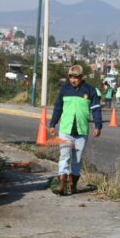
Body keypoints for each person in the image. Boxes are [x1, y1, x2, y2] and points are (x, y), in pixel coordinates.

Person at [48, 64, 102, 195]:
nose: (73, 80)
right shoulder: (64, 89)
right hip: (65, 130)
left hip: (81, 131)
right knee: (64, 156)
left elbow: (96, 109)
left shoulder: (90, 90)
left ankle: (73, 186)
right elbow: (58, 108)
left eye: (76, 77)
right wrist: (52, 124)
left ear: (82, 77)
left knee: (77, 160)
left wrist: (98, 125)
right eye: (71, 77)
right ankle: (61, 185)